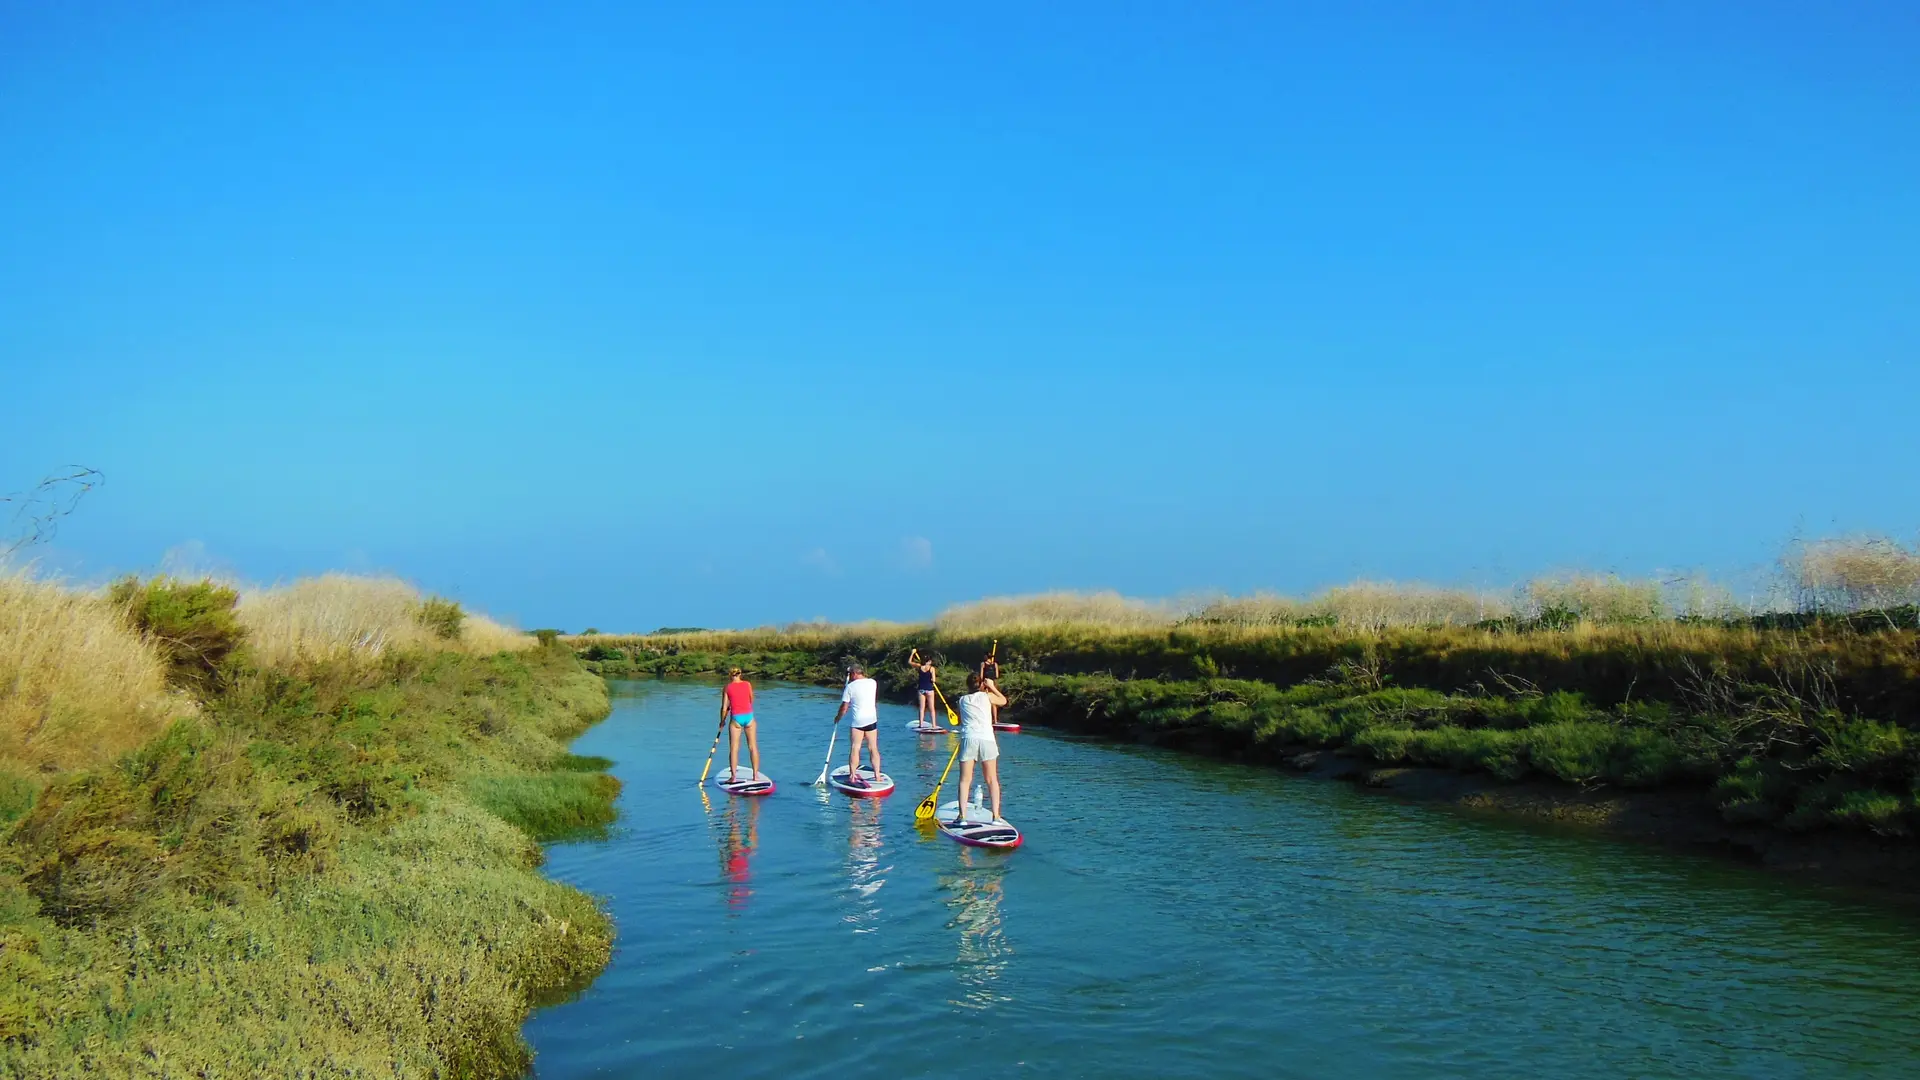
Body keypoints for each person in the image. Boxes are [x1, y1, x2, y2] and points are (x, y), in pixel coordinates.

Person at [952, 672, 1009, 825]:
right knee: (992, 780)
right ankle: (996, 816)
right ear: (982, 685)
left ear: (968, 685)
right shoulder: (987, 696)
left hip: (969, 738)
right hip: (986, 739)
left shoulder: (962, 700)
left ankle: (962, 817)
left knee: (965, 780)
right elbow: (1003, 701)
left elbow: (960, 721)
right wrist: (992, 687)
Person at [834, 661, 882, 786]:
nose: (849, 677)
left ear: (854, 673)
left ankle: (852, 776)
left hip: (858, 722)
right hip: (872, 719)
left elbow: (844, 707)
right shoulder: (873, 683)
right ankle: (877, 775)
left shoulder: (850, 687)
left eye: (850, 674)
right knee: (873, 747)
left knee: (856, 747)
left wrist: (838, 717)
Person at [720, 668, 759, 782]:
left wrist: (722, 721)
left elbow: (724, 708)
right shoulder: (747, 684)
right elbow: (751, 700)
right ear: (740, 674)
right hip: (749, 717)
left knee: (734, 748)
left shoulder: (727, 687)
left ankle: (733, 777)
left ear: (729, 675)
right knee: (753, 747)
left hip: (736, 719)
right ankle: (755, 776)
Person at [909, 649, 938, 728]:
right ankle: (934, 725)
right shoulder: (932, 669)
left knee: (922, 708)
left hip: (921, 689)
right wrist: (932, 680)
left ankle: (921, 724)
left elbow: (910, 662)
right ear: (928, 661)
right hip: (929, 690)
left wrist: (912, 653)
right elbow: (934, 680)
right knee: (932, 708)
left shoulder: (919, 667)